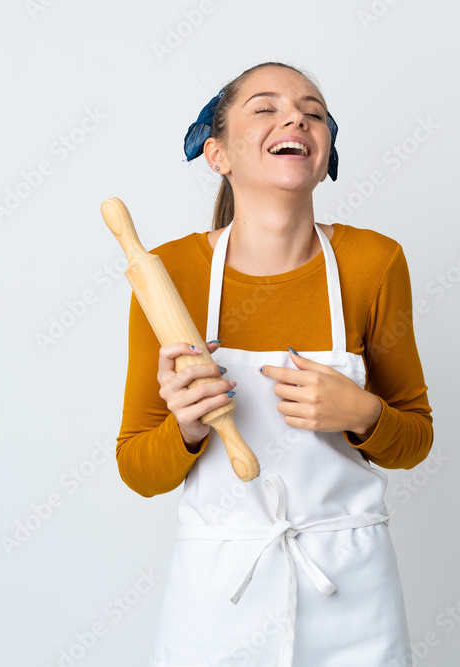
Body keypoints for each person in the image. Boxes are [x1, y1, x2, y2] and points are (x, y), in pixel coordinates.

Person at [115, 61, 434, 667]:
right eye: (265, 108)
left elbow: (414, 439)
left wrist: (363, 412)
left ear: (324, 150)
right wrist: (186, 426)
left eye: (314, 112)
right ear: (218, 154)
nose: (295, 117)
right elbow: (138, 468)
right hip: (217, 599)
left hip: (352, 591)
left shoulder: (374, 262)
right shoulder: (166, 275)